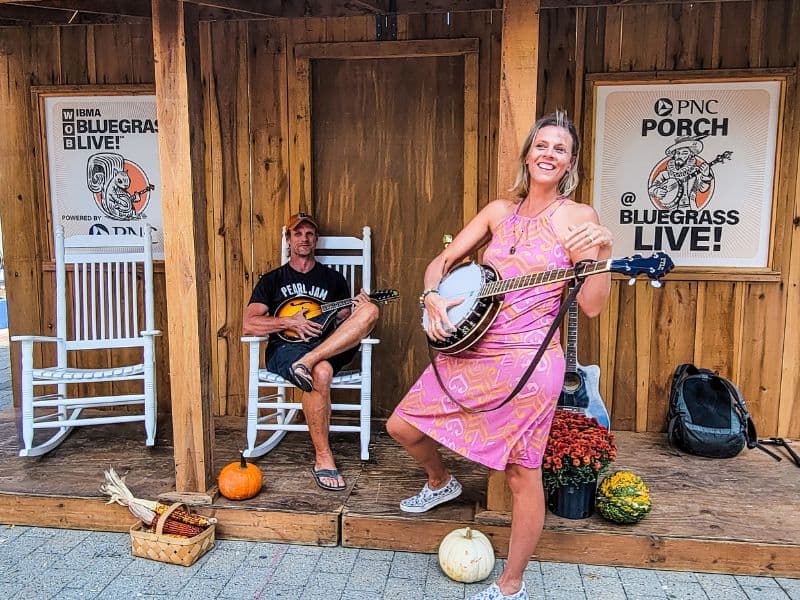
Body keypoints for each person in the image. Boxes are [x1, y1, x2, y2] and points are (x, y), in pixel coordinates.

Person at [386, 111, 614, 600]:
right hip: (475, 346)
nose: (549, 154)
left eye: (560, 149)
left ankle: (511, 587)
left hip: (530, 360)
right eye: (542, 145)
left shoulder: (579, 218)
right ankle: (441, 481)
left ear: (570, 164)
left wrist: (602, 253)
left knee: (519, 471)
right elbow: (443, 261)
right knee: (402, 425)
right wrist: (431, 294)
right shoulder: (498, 211)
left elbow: (592, 307)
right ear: (528, 154)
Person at [243, 213, 379, 491]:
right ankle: (323, 457)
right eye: (298, 233)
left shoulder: (333, 280)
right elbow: (249, 323)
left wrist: (354, 309)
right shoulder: (272, 280)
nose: (304, 238)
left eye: (309, 234)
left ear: (315, 239)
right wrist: (288, 322)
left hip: (327, 345)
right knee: (322, 372)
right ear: (289, 239)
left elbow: (343, 319)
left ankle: (308, 361)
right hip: (286, 347)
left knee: (371, 309)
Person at [648, 135, 713, 211]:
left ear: (690, 155)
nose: (680, 156)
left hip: (689, 209)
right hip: (668, 210)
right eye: (678, 153)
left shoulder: (696, 171)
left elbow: (703, 189)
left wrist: (706, 175)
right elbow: (651, 189)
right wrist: (656, 191)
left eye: (684, 153)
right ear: (674, 155)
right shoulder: (666, 173)